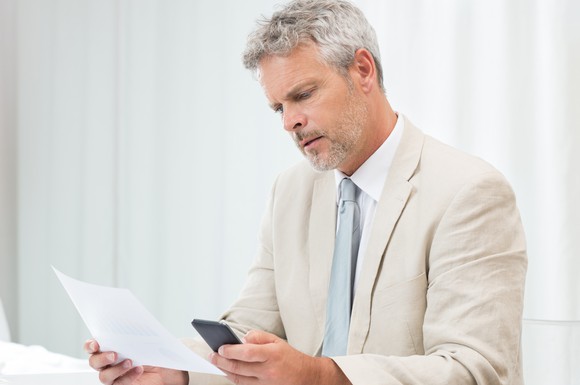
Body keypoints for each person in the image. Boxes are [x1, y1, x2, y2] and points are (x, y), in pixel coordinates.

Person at [85, 0, 528, 384]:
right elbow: (251, 328)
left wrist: (320, 377)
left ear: (362, 70)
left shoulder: (468, 192)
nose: (288, 123)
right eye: (279, 107)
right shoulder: (289, 192)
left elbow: (476, 371)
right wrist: (174, 370)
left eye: (303, 95)